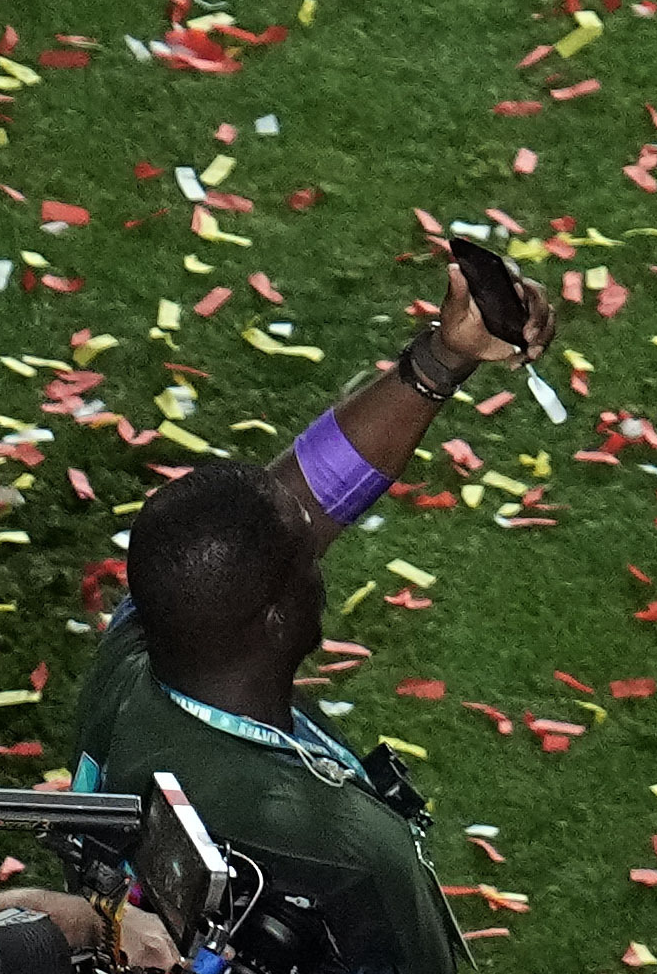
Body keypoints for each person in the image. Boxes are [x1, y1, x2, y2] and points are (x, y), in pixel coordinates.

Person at [67, 256, 557, 973]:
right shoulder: (342, 851)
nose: (319, 548)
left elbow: (292, 503)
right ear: (273, 618)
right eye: (307, 562)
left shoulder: (143, 643)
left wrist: (442, 358)